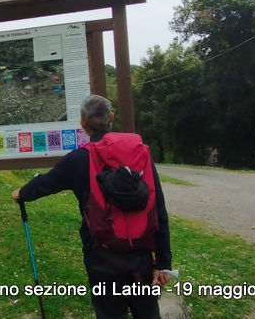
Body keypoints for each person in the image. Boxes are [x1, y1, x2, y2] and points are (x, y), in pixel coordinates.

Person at [11, 95, 172, 319]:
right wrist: (163, 263)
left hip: (100, 259)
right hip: (140, 259)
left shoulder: (78, 159)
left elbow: (45, 183)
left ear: (83, 123)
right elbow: (158, 209)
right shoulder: (139, 153)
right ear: (111, 118)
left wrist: (21, 193)